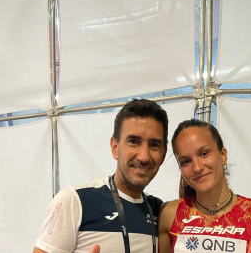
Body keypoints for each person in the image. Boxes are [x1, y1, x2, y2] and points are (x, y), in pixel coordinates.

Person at [33, 99, 169, 253]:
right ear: (115, 148)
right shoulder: (75, 200)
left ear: (163, 154)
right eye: (133, 141)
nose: (144, 157)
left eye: (154, 145)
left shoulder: (160, 211)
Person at [159, 119, 251, 253]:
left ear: (223, 156)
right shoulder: (169, 214)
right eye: (186, 161)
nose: (197, 167)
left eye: (204, 153)